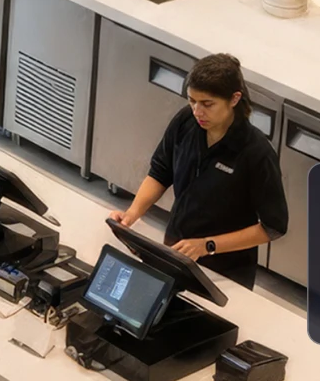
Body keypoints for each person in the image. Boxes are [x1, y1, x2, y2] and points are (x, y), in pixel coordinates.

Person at [108, 51, 288, 288]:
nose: (197, 111)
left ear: (234, 99)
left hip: (226, 269)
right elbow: (160, 172)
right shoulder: (186, 122)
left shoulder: (256, 153)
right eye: (192, 101)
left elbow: (273, 226)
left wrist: (207, 245)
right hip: (177, 249)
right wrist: (132, 214)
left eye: (207, 104)